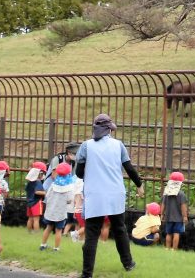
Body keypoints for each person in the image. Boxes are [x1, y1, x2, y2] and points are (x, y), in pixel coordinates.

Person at [75, 113, 144, 278]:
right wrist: (139, 185)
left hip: (95, 195)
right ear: (109, 130)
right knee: (120, 229)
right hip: (115, 194)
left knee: (92, 234)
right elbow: (129, 168)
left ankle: (87, 274)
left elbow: (78, 173)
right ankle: (128, 264)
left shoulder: (86, 146)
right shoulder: (118, 145)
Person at [40, 162, 75, 251]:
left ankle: (43, 245)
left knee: (48, 228)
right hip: (60, 213)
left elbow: (47, 196)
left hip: (51, 211)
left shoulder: (53, 184)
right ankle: (56, 248)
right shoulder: (69, 187)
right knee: (58, 230)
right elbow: (69, 200)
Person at [161, 171, 188, 250]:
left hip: (168, 217)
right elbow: (183, 206)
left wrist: (161, 214)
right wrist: (185, 216)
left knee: (168, 233)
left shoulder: (166, 193)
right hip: (178, 218)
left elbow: (163, 204)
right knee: (176, 233)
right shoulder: (181, 194)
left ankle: (167, 248)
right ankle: (174, 249)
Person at [25, 161, 47, 233]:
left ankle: (29, 232)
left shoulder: (30, 181)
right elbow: (37, 191)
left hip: (29, 202)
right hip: (36, 202)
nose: (43, 175)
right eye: (42, 173)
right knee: (36, 219)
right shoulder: (38, 182)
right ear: (39, 173)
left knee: (30, 218)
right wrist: (46, 193)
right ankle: (36, 233)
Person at [70, 177, 85, 243]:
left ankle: (81, 240)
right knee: (86, 227)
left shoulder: (75, 192)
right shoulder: (82, 193)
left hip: (76, 210)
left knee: (82, 225)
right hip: (81, 211)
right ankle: (75, 234)